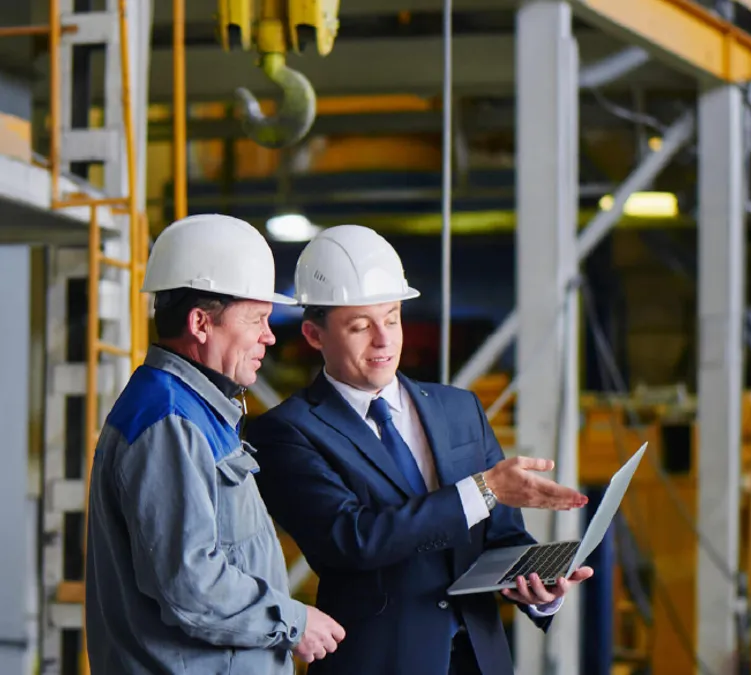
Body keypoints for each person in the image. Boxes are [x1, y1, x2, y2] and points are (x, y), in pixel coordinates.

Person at [244, 224, 593, 675]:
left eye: (392, 318)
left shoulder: (459, 408)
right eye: (360, 326)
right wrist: (482, 489)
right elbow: (353, 540)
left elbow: (502, 536)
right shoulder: (287, 432)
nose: (384, 340)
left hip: (480, 662)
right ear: (314, 335)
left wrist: (537, 586)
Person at [84, 214, 346, 674]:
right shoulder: (168, 423)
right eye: (257, 319)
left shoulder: (194, 409)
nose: (269, 335)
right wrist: (293, 621)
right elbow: (191, 585)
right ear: (201, 322)